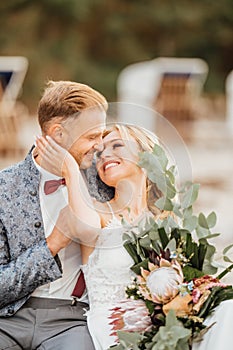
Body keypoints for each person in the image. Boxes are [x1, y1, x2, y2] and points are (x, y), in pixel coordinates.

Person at [0, 80, 113, 349]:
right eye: (91, 136)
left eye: (103, 136)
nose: (100, 147)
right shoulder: (4, 188)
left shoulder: (105, 179)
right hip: (7, 318)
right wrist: (53, 243)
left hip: (72, 319)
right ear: (58, 133)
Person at [35, 123, 163, 349]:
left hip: (163, 327)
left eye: (117, 145)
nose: (105, 155)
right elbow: (84, 226)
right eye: (100, 153)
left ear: (146, 156)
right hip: (113, 332)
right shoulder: (96, 213)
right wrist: (71, 171)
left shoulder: (167, 220)